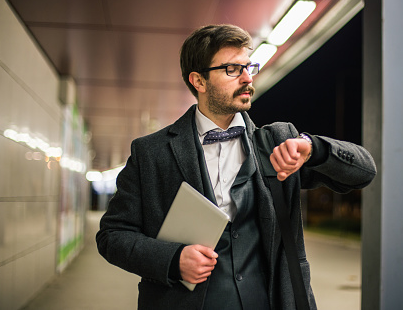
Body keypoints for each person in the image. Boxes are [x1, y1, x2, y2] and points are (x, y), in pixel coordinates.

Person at [96, 24, 377, 310]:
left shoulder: (279, 143)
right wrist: (173, 260)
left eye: (248, 67)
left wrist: (314, 149)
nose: (247, 78)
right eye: (232, 69)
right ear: (199, 81)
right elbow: (112, 235)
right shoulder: (152, 152)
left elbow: (364, 172)